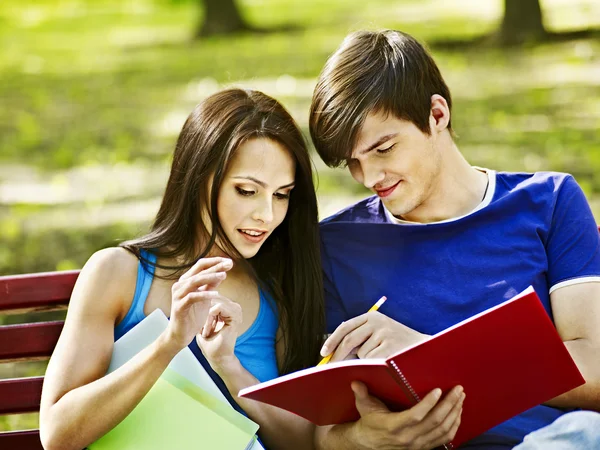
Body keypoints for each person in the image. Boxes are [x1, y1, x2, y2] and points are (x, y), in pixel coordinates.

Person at [309, 29, 600, 449]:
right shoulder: (335, 246)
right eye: (353, 163)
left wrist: (430, 356)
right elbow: (321, 428)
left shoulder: (549, 204)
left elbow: (592, 370)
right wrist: (361, 439)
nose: (370, 178)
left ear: (437, 115)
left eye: (384, 148)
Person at [39, 89, 325, 450]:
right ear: (198, 178)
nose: (266, 215)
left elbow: (302, 445)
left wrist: (229, 367)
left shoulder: (275, 288)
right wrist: (169, 343)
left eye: (281, 195)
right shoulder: (117, 274)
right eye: (247, 191)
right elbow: (58, 434)